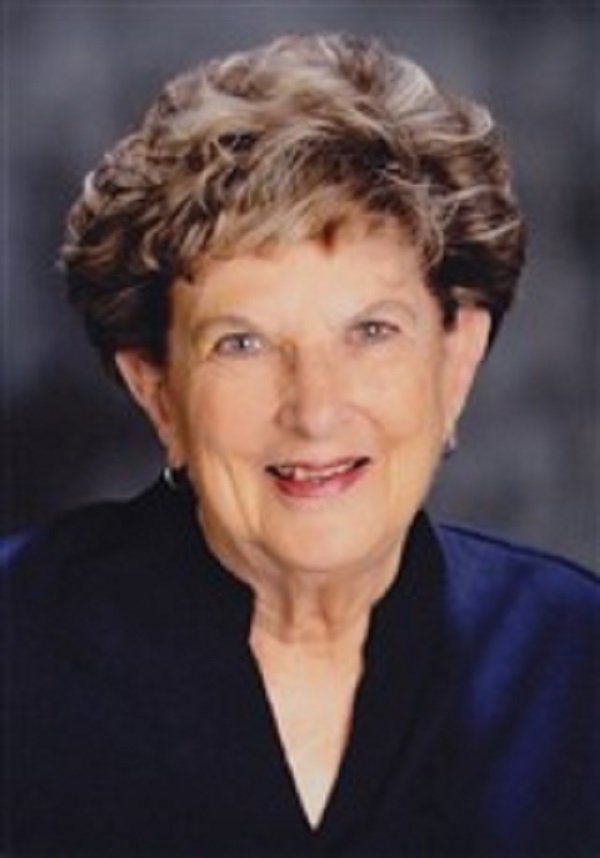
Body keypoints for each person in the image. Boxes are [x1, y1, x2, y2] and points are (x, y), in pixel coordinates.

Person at [2, 33, 598, 857]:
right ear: (157, 388)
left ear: (456, 360)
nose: (315, 411)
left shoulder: (574, 661)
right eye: (242, 344)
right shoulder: (15, 640)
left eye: (372, 331)